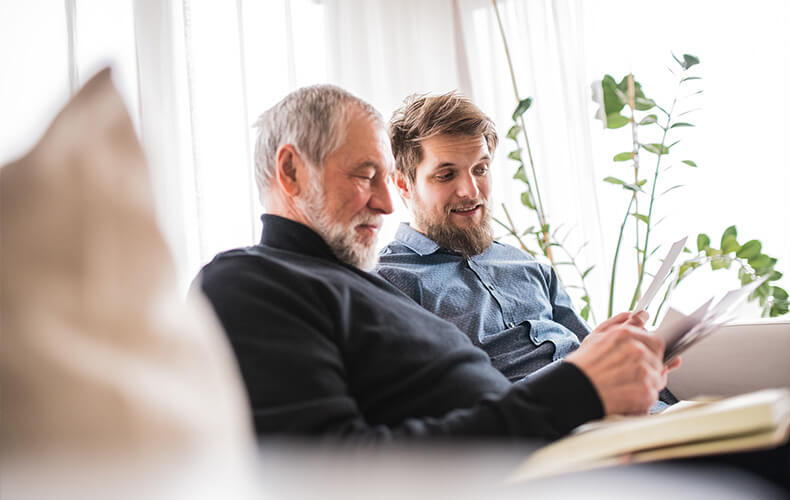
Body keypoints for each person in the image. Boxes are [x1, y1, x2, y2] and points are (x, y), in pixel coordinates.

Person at [195, 84, 672, 443]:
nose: (386, 204)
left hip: (584, 442)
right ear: (292, 171)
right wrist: (578, 391)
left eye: (385, 177)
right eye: (366, 176)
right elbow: (331, 468)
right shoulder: (251, 282)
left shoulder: (361, 288)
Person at [376, 92, 677, 408]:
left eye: (480, 169)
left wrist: (613, 349)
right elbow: (440, 402)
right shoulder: (388, 282)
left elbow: (585, 349)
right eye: (447, 175)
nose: (471, 191)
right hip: (547, 427)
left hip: (629, 411)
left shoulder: (526, 265)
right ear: (403, 185)